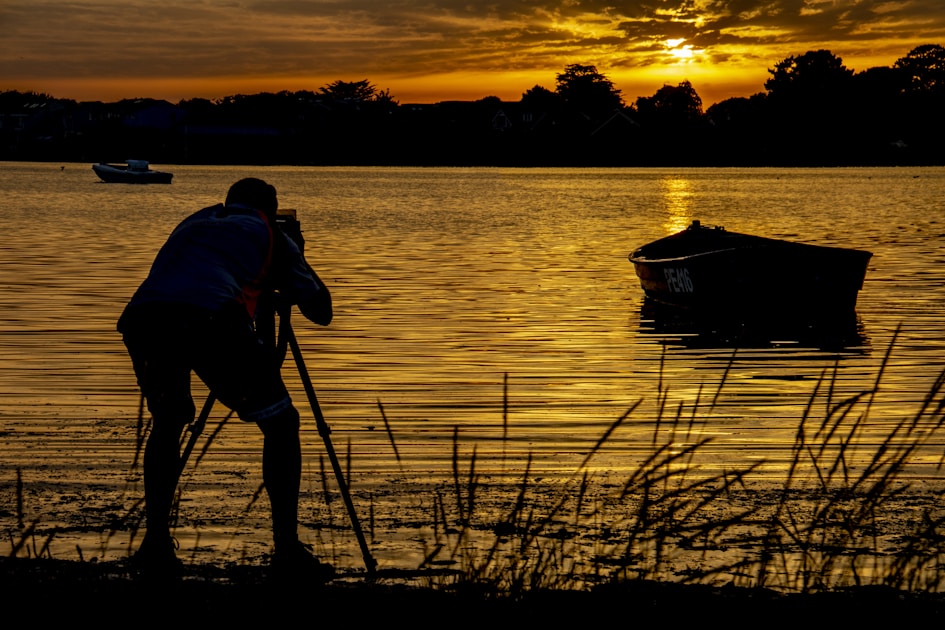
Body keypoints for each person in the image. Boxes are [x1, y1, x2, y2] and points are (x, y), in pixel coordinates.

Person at [118, 177, 333, 580]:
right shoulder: (269, 233)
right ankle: (286, 547)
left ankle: (155, 543)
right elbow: (321, 310)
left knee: (169, 420)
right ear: (269, 210)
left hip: (145, 318)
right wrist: (294, 257)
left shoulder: (194, 221)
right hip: (211, 317)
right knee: (282, 424)